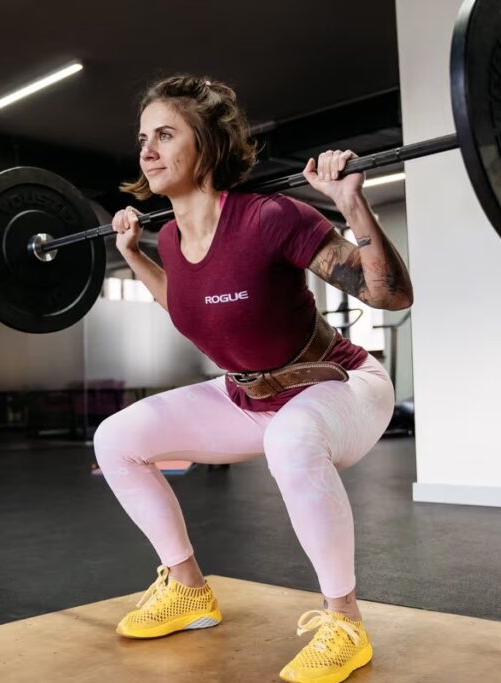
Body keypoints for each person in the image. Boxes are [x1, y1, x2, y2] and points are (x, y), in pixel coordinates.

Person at [93, 75, 413, 683]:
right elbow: (186, 304)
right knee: (116, 439)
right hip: (247, 394)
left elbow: (390, 294)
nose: (148, 152)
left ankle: (344, 621)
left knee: (289, 440)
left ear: (207, 145)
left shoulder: (270, 217)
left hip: (340, 384)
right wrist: (136, 255)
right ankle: (188, 589)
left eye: (165, 134)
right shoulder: (168, 234)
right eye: (143, 139)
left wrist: (350, 203)